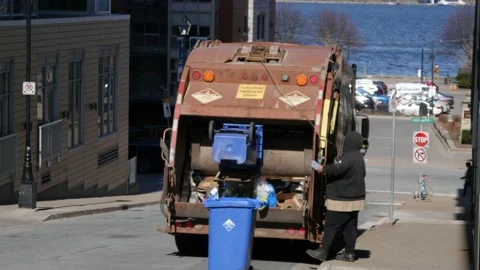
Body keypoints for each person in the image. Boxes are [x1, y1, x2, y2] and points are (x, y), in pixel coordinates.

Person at [306, 131, 366, 263]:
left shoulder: (347, 158)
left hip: (341, 200)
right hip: (355, 200)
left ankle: (323, 251)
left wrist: (320, 167)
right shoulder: (359, 158)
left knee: (331, 225)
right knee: (350, 227)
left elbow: (336, 169)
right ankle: (350, 253)